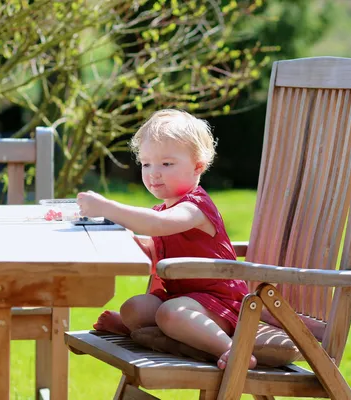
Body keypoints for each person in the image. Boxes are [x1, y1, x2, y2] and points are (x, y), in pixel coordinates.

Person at [76, 109, 255, 370]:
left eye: (166, 164)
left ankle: (233, 351)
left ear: (198, 166)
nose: (153, 173)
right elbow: (153, 252)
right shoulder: (165, 211)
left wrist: (107, 207)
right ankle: (134, 328)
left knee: (171, 314)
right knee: (134, 308)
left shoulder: (195, 208)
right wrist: (124, 236)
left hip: (221, 304)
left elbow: (156, 226)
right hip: (182, 298)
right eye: (147, 164)